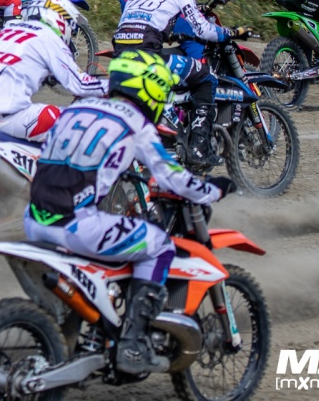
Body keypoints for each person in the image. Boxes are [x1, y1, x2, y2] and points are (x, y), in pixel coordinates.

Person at [24, 50, 236, 375]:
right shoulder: (136, 123)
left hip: (34, 220)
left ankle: (94, 329)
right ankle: (133, 344)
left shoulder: (76, 108)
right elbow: (172, 177)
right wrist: (214, 189)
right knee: (159, 244)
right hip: (77, 226)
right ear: (151, 88)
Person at [114, 0, 249, 168]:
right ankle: (198, 148)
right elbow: (203, 30)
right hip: (148, 56)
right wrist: (231, 32)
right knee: (206, 77)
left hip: (120, 54)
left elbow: (142, 22)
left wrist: (171, 35)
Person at [0, 0, 106, 142]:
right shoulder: (48, 37)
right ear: (60, 18)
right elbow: (81, 85)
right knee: (83, 121)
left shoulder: (5, 34)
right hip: (10, 118)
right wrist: (117, 85)